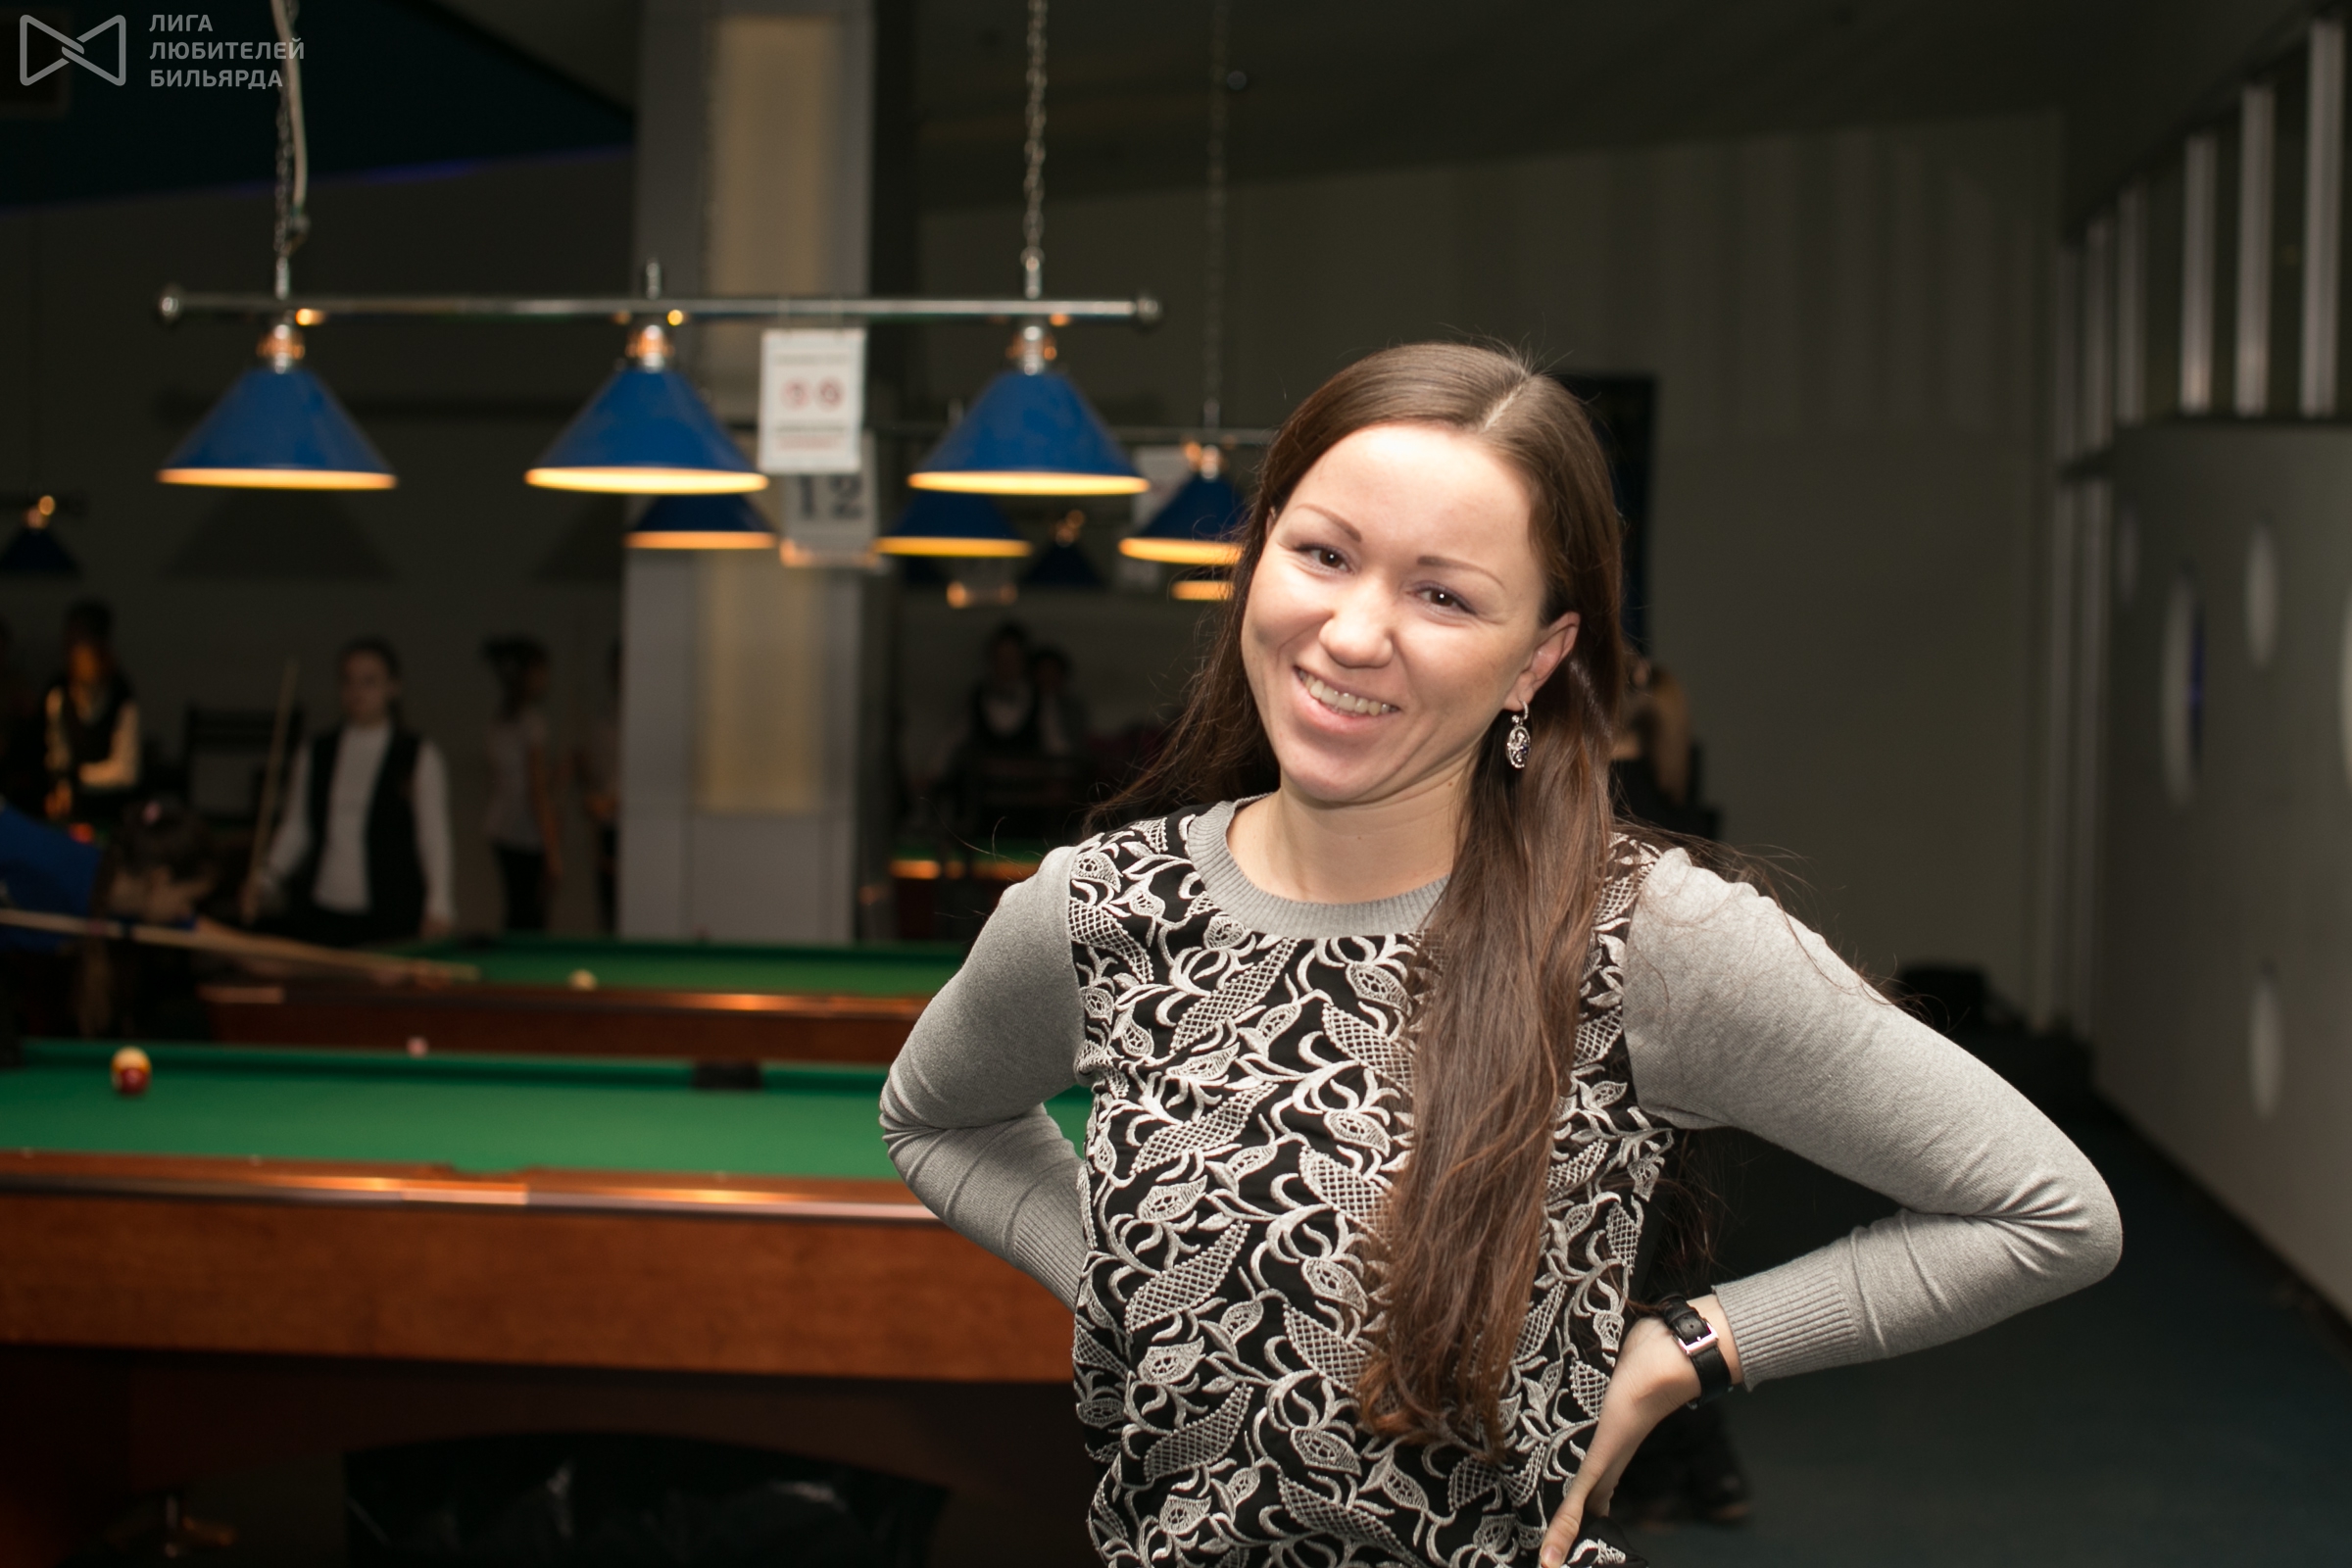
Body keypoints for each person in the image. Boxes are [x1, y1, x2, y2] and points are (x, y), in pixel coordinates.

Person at [880, 344, 2121, 1568]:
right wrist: (1129, 1283)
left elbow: (2048, 1211)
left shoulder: (1637, 936)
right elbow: (936, 1119)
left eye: (1444, 596)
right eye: (1323, 554)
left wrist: (1683, 1350)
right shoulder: (1104, 905)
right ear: (1255, 561)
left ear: (1537, 658)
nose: (1353, 632)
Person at [248, 638, 456, 946]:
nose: (357, 691)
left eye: (369, 682)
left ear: (393, 687)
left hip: (392, 912)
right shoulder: (315, 752)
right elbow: (297, 827)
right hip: (323, 911)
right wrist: (266, 878)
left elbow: (433, 836)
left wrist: (439, 903)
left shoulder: (419, 755)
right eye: (348, 681)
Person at [0, 795, 222, 1046]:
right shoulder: (50, 865)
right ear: (160, 879)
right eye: (188, 899)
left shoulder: (124, 905)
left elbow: (215, 938)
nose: (186, 911)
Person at [483, 637, 561, 931]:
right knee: (530, 915)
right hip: (525, 830)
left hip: (501, 827)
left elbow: (523, 780)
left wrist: (559, 773)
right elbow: (535, 791)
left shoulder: (499, 720)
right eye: (542, 671)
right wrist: (552, 850)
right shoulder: (531, 723)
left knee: (518, 909)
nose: (546, 679)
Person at [42, 600, 141, 827]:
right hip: (73, 815)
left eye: (79, 639)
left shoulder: (121, 696)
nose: (71, 647)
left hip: (115, 814)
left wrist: (77, 777)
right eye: (70, 640)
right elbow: (57, 759)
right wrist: (60, 789)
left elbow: (128, 773)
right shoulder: (58, 694)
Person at [577, 641, 621, 932]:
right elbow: (594, 778)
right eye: (617, 668)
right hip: (607, 827)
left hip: (643, 829)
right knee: (609, 911)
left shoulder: (647, 718)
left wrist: (615, 801)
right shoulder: (603, 718)